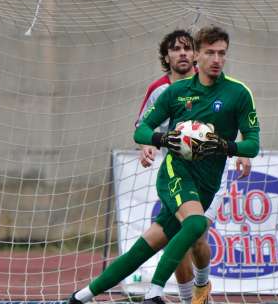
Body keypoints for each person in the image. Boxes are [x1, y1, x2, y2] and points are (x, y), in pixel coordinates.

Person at [68, 25, 260, 304]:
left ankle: (79, 297)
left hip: (208, 183)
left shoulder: (238, 93)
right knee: (194, 225)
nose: (216, 59)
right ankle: (155, 291)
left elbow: (253, 143)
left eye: (222, 53)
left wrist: (226, 146)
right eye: (210, 53)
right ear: (197, 55)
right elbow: (141, 131)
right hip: (175, 172)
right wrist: (164, 139)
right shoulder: (175, 92)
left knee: (149, 244)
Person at [136, 29, 252, 304]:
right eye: (176, 49)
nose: (183, 53)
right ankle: (192, 299)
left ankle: (202, 286)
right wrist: (148, 145)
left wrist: (243, 150)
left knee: (196, 234)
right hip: (177, 173)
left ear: (195, 54)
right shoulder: (161, 91)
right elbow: (142, 127)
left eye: (188, 48)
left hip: (210, 174)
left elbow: (242, 123)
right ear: (167, 56)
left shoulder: (218, 87)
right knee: (182, 234)